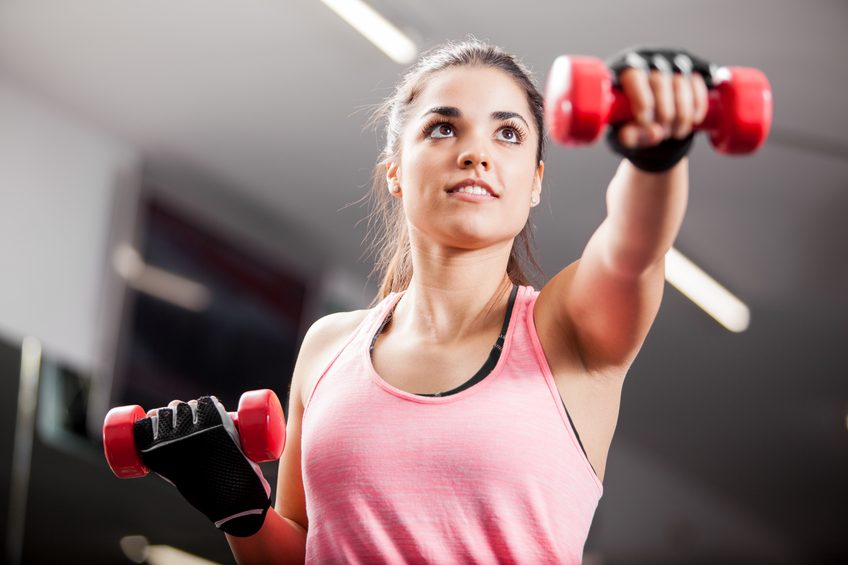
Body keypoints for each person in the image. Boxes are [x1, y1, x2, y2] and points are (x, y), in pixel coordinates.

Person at [133, 39, 712, 564]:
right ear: (394, 172)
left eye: (507, 133)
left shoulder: (567, 331)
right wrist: (241, 508)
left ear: (534, 182)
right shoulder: (329, 347)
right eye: (443, 128)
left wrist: (654, 155)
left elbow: (635, 247)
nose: (475, 154)